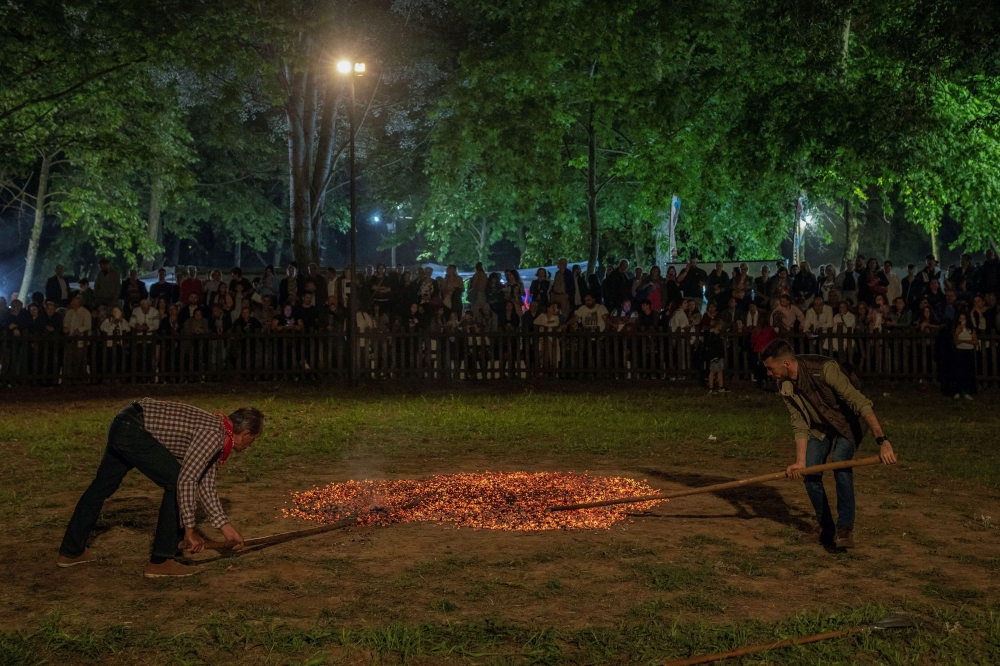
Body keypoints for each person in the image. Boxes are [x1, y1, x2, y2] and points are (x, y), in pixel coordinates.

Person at [58, 400, 264, 577]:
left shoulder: (219, 429)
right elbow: (187, 480)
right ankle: (161, 561)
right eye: (253, 440)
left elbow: (206, 485)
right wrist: (190, 531)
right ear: (245, 433)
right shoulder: (213, 435)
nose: (251, 446)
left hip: (124, 423)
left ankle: (71, 551)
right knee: (175, 481)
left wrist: (228, 531)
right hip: (134, 430)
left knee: (101, 487)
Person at [759, 339, 898, 548]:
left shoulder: (824, 369)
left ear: (786, 363)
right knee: (810, 472)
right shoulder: (784, 384)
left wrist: (882, 440)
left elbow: (859, 402)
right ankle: (825, 527)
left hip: (848, 422)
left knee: (841, 462)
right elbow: (799, 423)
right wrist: (800, 462)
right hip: (820, 427)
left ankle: (845, 529)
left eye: (770, 368)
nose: (769, 374)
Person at [951, 312, 978, 400]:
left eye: (964, 318)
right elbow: (956, 342)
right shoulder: (957, 329)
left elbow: (974, 341)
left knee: (968, 372)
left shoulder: (971, 329)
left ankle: (967, 391)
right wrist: (958, 333)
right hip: (960, 351)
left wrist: (963, 341)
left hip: (969, 352)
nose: (962, 320)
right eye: (960, 318)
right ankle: (958, 391)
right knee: (959, 372)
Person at [704, 320, 728, 394]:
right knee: (713, 371)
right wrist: (714, 356)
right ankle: (711, 387)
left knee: (720, 370)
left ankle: (720, 386)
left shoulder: (717, 335)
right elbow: (710, 347)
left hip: (719, 355)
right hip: (714, 356)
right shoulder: (711, 335)